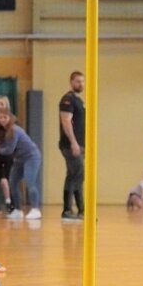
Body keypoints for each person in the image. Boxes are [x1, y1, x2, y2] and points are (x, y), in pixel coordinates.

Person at [0, 111, 42, 220]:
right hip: (19, 159)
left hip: (31, 156)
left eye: (5, 117)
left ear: (10, 118)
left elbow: (9, 149)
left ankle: (35, 209)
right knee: (12, 182)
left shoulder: (14, 130)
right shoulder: (3, 131)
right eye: (0, 118)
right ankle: (18, 210)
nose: (3, 120)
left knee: (30, 181)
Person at [59, 71, 85, 221]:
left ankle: (81, 210)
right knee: (75, 175)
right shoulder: (68, 99)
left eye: (82, 81)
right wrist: (74, 143)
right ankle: (67, 210)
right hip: (70, 145)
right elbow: (66, 121)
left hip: (79, 144)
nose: (80, 84)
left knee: (78, 175)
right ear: (71, 82)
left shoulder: (78, 101)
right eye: (77, 81)